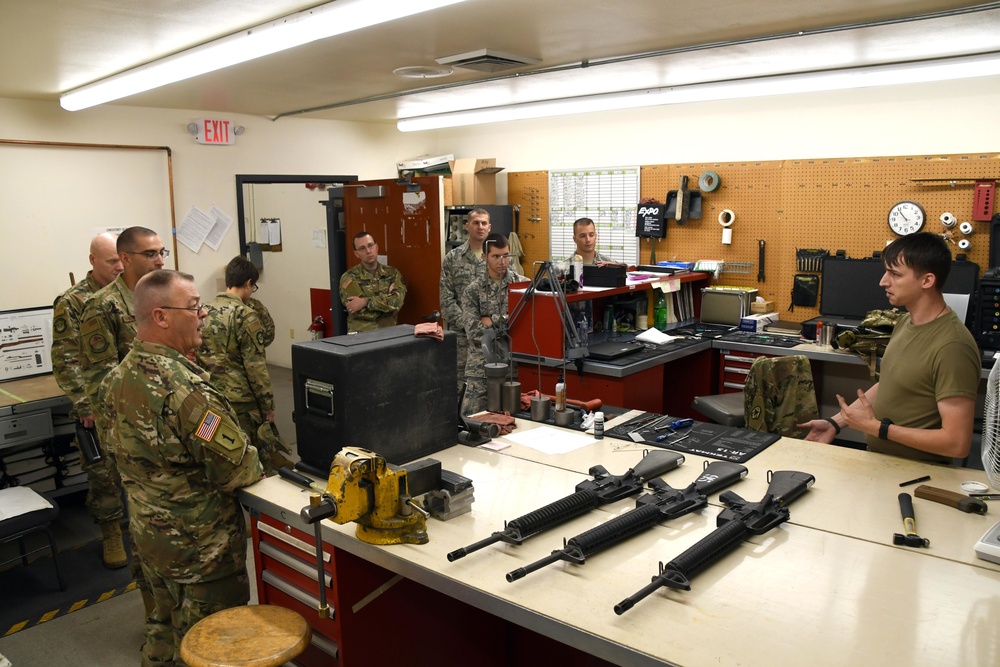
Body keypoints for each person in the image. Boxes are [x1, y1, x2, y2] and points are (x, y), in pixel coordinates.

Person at [96, 269, 263, 666]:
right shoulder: (187, 394)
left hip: (150, 540)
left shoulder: (115, 381)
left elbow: (115, 454)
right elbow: (239, 469)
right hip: (203, 552)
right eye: (193, 307)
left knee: (163, 628)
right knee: (214, 646)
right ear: (161, 316)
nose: (203, 314)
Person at [799, 232, 980, 463]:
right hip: (881, 462)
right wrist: (836, 422)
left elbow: (957, 443)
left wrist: (878, 429)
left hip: (918, 475)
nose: (883, 281)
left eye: (895, 274)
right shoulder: (905, 322)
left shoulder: (953, 346)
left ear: (927, 280)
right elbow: (890, 383)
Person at [79, 226, 166, 601]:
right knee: (140, 508)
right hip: (133, 423)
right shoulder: (102, 306)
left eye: (161, 252)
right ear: (126, 259)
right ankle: (150, 593)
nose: (160, 260)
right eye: (151, 254)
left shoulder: (160, 296)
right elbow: (101, 378)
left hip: (168, 416)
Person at [50, 232, 124, 569]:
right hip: (96, 403)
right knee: (103, 472)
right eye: (111, 261)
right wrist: (85, 405)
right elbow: (65, 359)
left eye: (121, 259)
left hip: (130, 399)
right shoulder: (73, 301)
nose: (118, 267)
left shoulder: (127, 294)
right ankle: (111, 532)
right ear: (93, 260)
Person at [196, 257, 288, 474]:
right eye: (253, 286)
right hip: (241, 401)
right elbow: (255, 367)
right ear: (248, 283)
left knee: (220, 449)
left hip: (210, 395)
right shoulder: (245, 315)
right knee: (250, 454)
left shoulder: (204, 310)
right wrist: (268, 406)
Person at [461, 233, 526, 414]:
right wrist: (507, 320)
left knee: (516, 420)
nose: (502, 261)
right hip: (480, 368)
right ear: (484, 257)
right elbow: (474, 332)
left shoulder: (522, 285)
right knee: (472, 420)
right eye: (496, 256)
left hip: (513, 366)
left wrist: (493, 320)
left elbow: (525, 325)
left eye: (505, 256)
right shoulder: (473, 291)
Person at [441, 208, 491, 392]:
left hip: (492, 336)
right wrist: (470, 325)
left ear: (489, 227)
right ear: (467, 226)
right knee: (461, 387)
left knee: (492, 386)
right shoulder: (453, 258)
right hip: (463, 338)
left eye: (484, 223)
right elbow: (446, 300)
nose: (480, 227)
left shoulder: (497, 258)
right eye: (476, 223)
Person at [339, 232, 407, 333]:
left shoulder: (392, 274)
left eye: (370, 246)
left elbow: (397, 303)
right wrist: (387, 301)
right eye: (362, 248)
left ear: (376, 247)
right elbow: (358, 311)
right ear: (356, 254)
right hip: (361, 335)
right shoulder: (349, 278)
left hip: (388, 332)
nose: (368, 251)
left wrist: (365, 302)